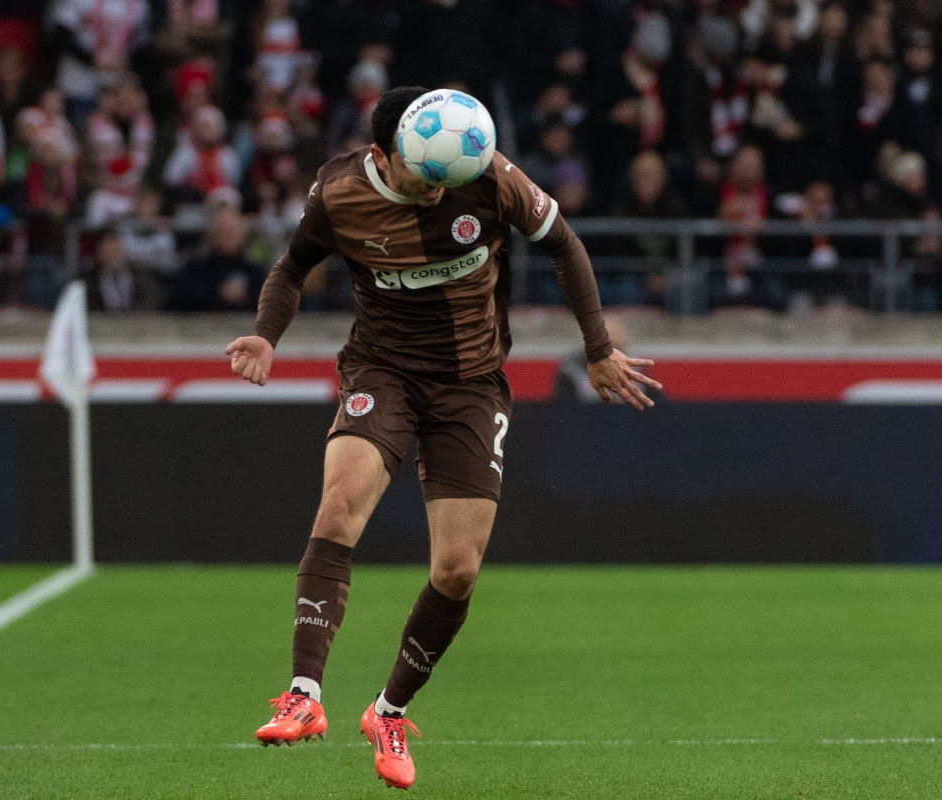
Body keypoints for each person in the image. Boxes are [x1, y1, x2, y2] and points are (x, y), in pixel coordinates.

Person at [226, 86, 660, 790]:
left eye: (446, 179)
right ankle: (304, 694)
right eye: (423, 176)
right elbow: (292, 267)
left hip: (471, 384)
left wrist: (599, 347)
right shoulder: (339, 190)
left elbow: (565, 245)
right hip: (382, 368)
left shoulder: (488, 176)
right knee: (338, 508)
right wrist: (266, 336)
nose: (437, 190)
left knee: (457, 568)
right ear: (382, 155)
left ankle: (389, 710)